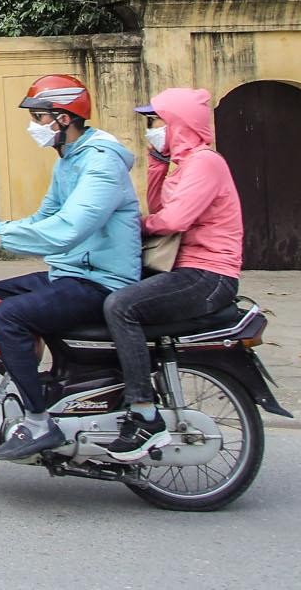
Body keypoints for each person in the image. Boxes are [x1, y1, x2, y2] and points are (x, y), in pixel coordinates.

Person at [0, 73, 141, 461]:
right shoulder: (70, 161)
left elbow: (66, 232)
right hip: (69, 272)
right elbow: (44, 219)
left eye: (40, 117)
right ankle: (28, 379)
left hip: (99, 281)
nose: (34, 127)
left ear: (64, 118)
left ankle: (39, 421)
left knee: (10, 316)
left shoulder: (101, 164)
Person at [100, 86, 245, 462]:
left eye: (157, 122)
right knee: (101, 292)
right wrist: (157, 162)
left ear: (179, 124)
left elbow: (173, 220)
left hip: (209, 275)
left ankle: (143, 412)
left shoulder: (206, 163)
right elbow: (163, 205)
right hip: (187, 269)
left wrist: (138, 225)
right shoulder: (186, 166)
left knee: (121, 307)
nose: (152, 129)